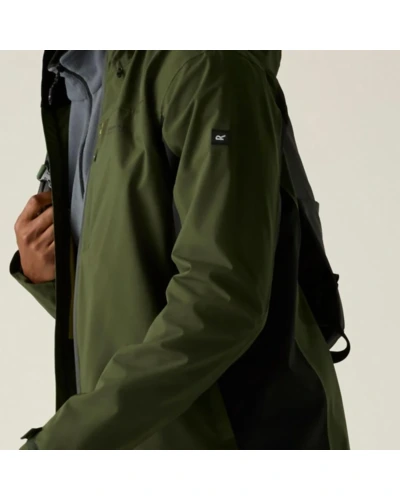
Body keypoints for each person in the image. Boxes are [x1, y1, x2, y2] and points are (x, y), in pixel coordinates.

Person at [10, 50, 350, 450]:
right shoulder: (80, 80)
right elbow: (137, 300)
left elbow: (220, 300)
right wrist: (55, 280)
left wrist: (62, 447)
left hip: (242, 438)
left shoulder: (207, 67)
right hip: (144, 436)